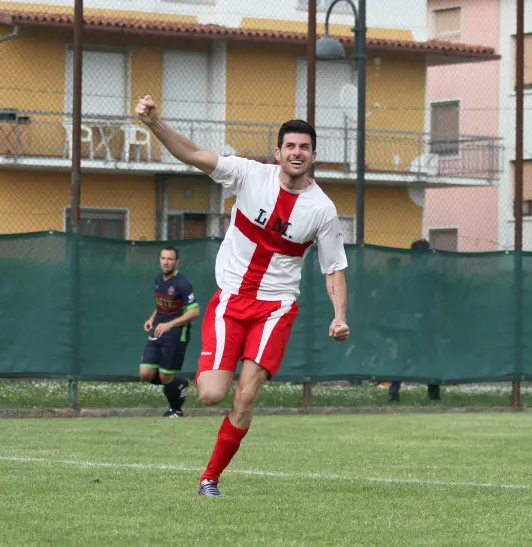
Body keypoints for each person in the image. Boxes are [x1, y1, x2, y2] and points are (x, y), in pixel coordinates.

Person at [135, 95, 350, 497]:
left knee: (246, 395)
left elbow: (334, 268)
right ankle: (197, 380)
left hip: (276, 308)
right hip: (231, 301)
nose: (297, 152)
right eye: (290, 146)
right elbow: (195, 153)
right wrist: (155, 124)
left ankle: (209, 478)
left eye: (304, 147)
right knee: (213, 395)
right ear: (278, 152)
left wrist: (339, 315)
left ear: (314, 155)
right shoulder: (250, 175)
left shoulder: (322, 209)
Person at [139, 246, 200, 418]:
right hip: (158, 330)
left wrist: (170, 325)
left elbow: (194, 312)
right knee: (146, 373)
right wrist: (151, 319)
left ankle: (176, 410)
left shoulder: (182, 283)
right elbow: (161, 305)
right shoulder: (158, 280)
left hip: (176, 333)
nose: (166, 262)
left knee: (165, 375)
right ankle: (178, 383)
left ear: (176, 262)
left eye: (170, 259)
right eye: (163, 258)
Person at [387, 239, 441, 404]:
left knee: (402, 358)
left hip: (403, 321)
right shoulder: (427, 272)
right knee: (431, 358)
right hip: (420, 322)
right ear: (424, 254)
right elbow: (445, 282)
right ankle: (434, 396)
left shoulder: (401, 272)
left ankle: (393, 395)